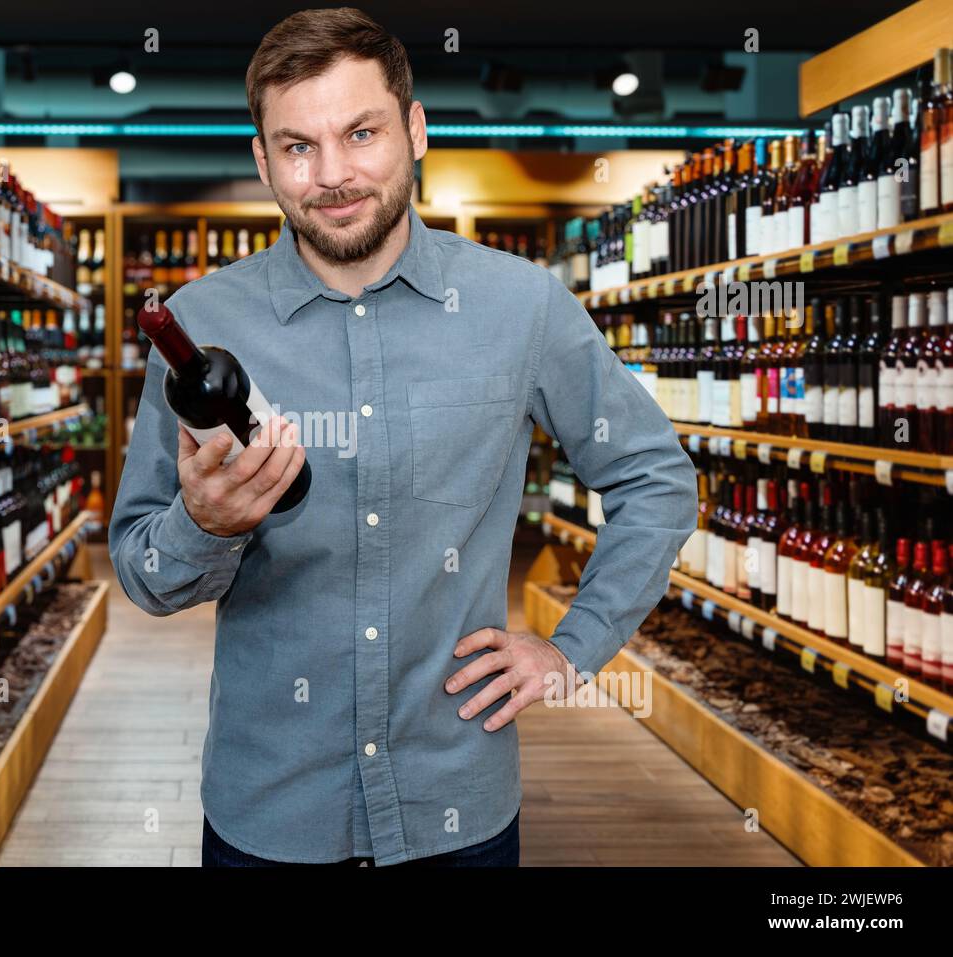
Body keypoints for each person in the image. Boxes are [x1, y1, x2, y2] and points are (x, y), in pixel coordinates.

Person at [109, 6, 698, 866]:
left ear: (416, 131)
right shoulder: (201, 330)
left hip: (456, 808)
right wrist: (201, 526)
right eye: (298, 146)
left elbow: (654, 477)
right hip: (267, 813)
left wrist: (573, 648)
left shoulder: (520, 306)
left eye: (361, 133)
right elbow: (141, 569)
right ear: (263, 160)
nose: (333, 174)